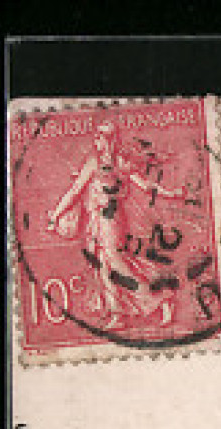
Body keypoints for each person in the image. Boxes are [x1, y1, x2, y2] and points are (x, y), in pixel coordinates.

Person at [46, 120, 188, 330]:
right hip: (99, 222)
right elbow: (76, 190)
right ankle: (118, 313)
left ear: (109, 140)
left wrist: (173, 195)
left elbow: (145, 186)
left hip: (110, 221)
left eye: (102, 138)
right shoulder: (98, 162)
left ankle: (160, 298)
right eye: (98, 138)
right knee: (105, 268)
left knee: (116, 264)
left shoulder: (114, 162)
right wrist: (57, 213)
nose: (98, 141)